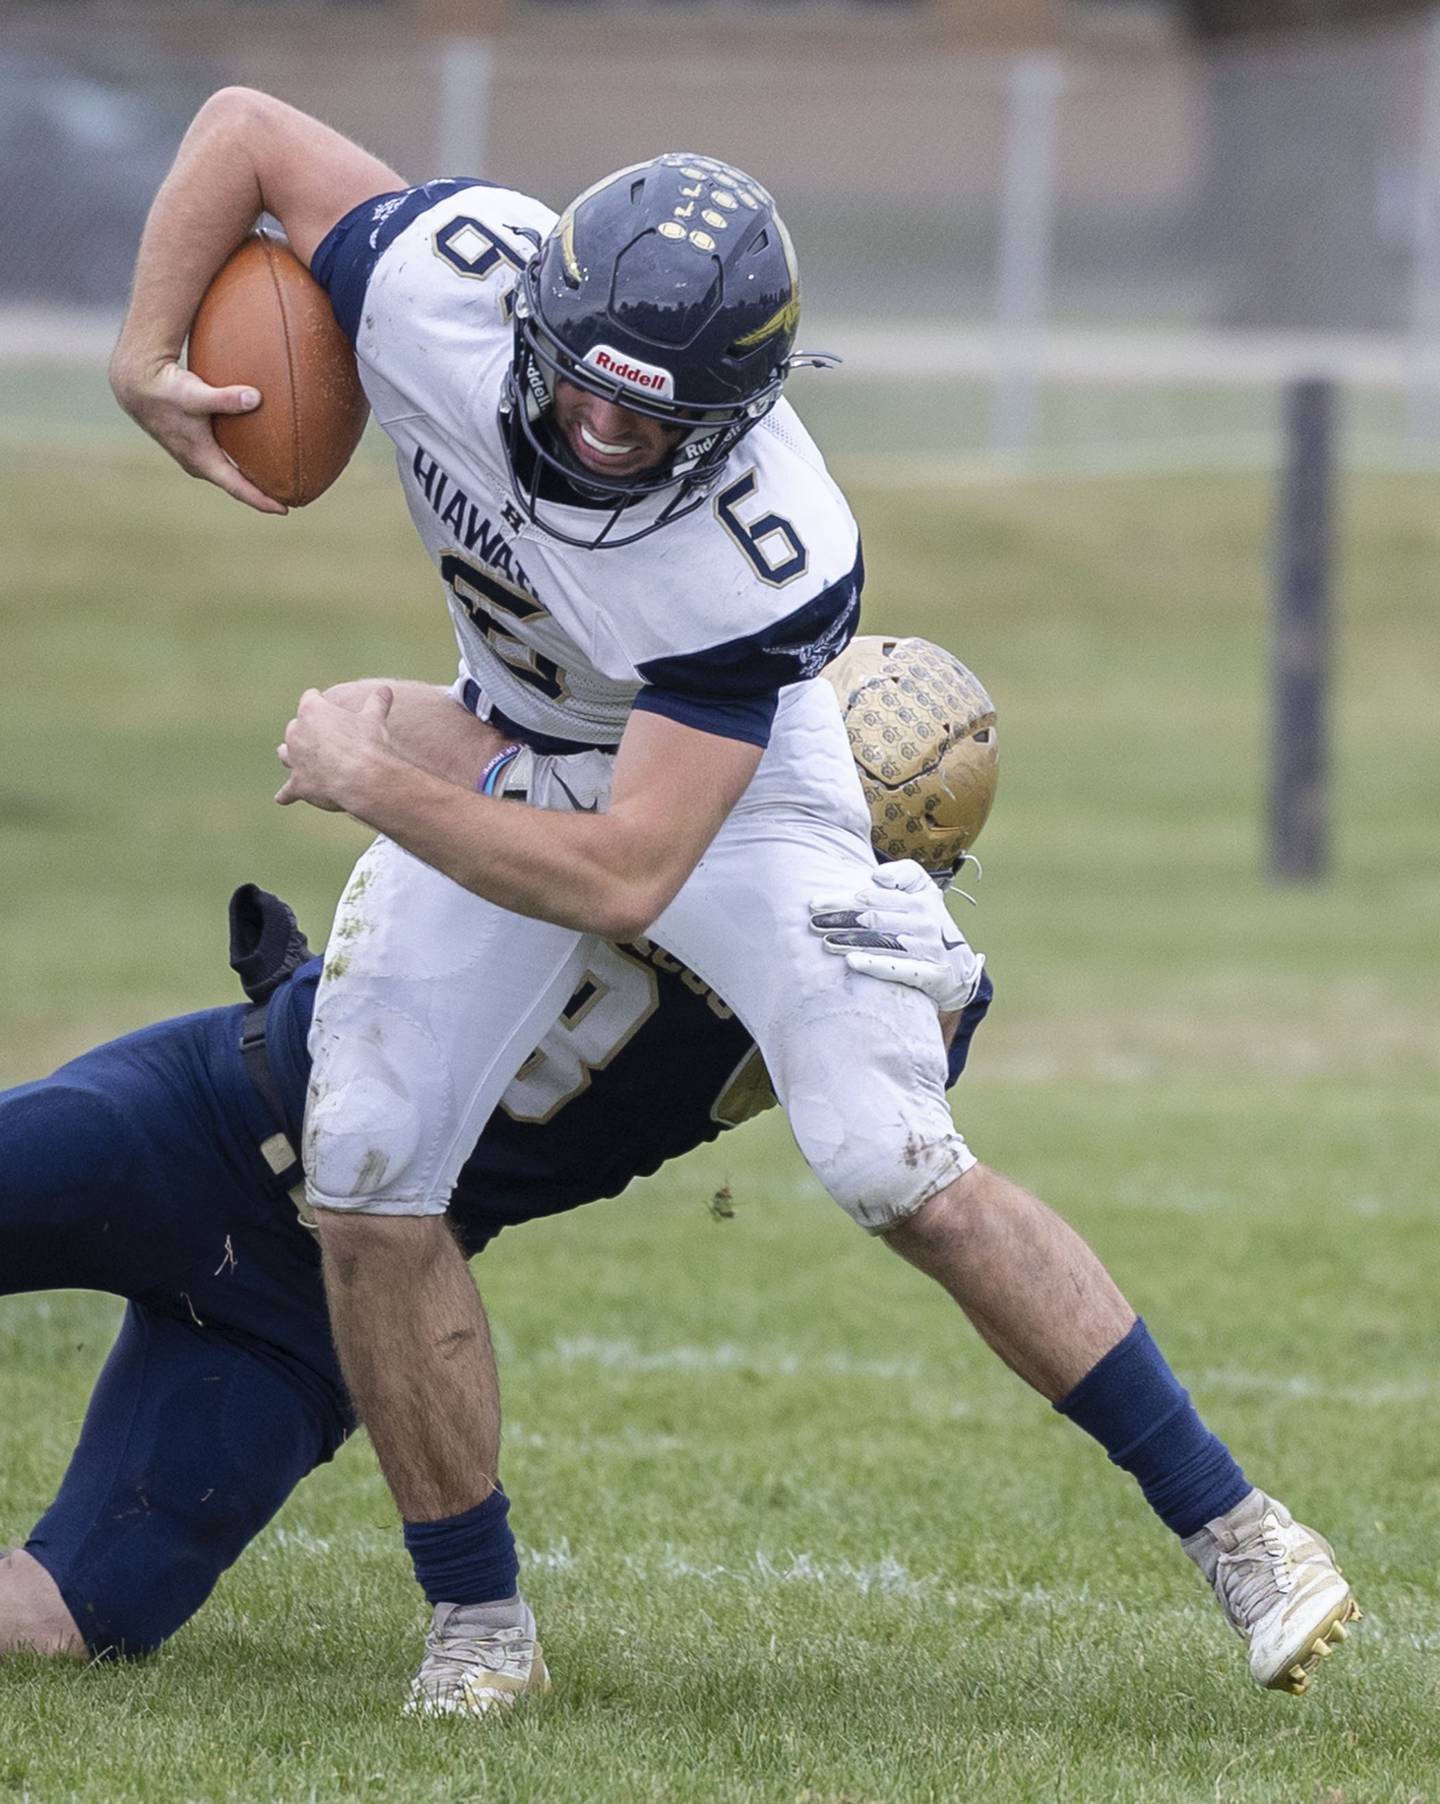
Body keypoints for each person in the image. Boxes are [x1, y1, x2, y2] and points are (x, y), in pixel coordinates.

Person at [109, 92, 1358, 1711]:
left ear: (740, 415)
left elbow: (630, 866)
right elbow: (246, 132)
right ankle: (478, 1625)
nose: (598, 439)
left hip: (723, 795)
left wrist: (378, 782)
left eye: (652, 424)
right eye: (580, 394)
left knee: (888, 1155)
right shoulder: (442, 279)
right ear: (532, 319)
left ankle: (1245, 1533)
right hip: (519, 734)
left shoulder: (764, 553)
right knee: (360, 1170)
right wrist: (144, 352)